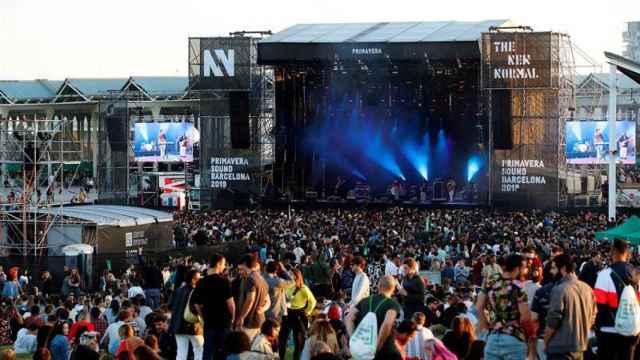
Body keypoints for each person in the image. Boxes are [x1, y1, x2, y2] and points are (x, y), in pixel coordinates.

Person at [476, 254, 531, 360]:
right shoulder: (518, 286)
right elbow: (525, 318)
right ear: (516, 269)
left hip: (492, 338)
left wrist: (486, 328)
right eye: (524, 268)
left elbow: (479, 306)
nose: (526, 271)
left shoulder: (490, 281)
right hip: (514, 338)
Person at [543, 254, 596, 360]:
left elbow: (553, 321)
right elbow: (593, 316)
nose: (551, 272)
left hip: (560, 349)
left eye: (554, 268)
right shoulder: (588, 289)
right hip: (580, 347)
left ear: (563, 269)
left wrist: (545, 341)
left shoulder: (559, 290)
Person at [594, 239, 640, 360]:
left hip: (609, 332)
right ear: (627, 253)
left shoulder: (604, 275)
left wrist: (597, 328)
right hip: (632, 331)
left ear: (613, 251)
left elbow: (599, 307)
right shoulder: (637, 275)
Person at [345, 275, 403, 360]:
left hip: (362, 349)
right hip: (384, 351)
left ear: (379, 286)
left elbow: (349, 318)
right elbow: (387, 324)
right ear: (393, 289)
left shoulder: (364, 300)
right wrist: (377, 347)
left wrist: (353, 338)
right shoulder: (392, 304)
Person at [193, 253, 236, 360]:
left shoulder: (201, 282)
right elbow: (230, 304)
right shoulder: (224, 281)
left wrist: (203, 317)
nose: (224, 267)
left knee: (208, 352)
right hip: (224, 322)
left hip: (209, 322)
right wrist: (233, 318)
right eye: (223, 264)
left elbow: (196, 304)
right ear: (218, 264)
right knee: (223, 352)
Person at [279, 269, 317, 360]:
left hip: (298, 314)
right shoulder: (287, 286)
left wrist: (307, 312)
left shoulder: (304, 288)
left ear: (296, 276)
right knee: (282, 339)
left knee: (299, 342)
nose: (289, 276)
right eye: (289, 274)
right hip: (287, 313)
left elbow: (313, 302)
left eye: (291, 274)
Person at [234, 254, 269, 343]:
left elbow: (250, 300)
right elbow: (266, 300)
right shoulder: (262, 279)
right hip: (260, 320)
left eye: (241, 269)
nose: (239, 272)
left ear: (245, 264)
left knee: (244, 351)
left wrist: (241, 317)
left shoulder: (250, 279)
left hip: (250, 322)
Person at [169, 269, 203, 360]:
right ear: (193, 279)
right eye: (199, 278)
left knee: (181, 352)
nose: (201, 280)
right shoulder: (197, 291)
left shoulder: (177, 290)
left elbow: (170, 305)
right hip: (193, 326)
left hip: (177, 325)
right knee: (199, 350)